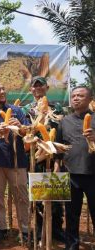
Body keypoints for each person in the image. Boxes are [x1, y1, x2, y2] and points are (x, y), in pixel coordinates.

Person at [0, 82, 30, 243]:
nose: (2, 91)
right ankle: (1, 228)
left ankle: (25, 230)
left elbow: (27, 133)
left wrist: (20, 127)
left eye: (3, 88)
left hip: (17, 161)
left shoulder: (17, 111)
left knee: (22, 197)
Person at [22, 76, 65, 242]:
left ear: (47, 88)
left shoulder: (57, 108)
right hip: (35, 157)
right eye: (35, 86)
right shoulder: (26, 109)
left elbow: (61, 134)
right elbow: (25, 134)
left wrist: (58, 161)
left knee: (55, 194)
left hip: (54, 156)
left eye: (41, 86)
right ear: (31, 90)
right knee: (37, 194)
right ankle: (40, 229)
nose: (38, 88)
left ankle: (56, 229)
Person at [54, 86, 95, 250]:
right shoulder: (64, 121)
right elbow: (59, 146)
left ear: (90, 99)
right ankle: (72, 245)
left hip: (93, 174)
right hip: (71, 174)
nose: (76, 98)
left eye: (81, 95)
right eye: (74, 95)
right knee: (72, 215)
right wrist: (57, 165)